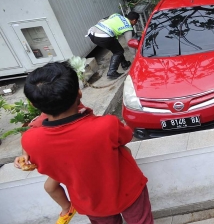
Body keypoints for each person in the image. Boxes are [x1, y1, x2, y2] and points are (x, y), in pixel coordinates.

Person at [19, 62, 153, 224]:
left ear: (34, 105)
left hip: (90, 202)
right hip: (127, 190)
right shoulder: (107, 125)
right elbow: (126, 137)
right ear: (79, 93)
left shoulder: (30, 141)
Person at [87, 11, 139, 79]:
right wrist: (134, 55)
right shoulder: (128, 27)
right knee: (118, 51)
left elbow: (101, 20)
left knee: (117, 48)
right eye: (136, 22)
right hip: (102, 36)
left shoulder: (117, 15)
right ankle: (112, 72)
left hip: (92, 33)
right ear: (134, 20)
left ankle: (124, 64)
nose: (135, 24)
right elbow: (130, 43)